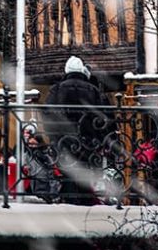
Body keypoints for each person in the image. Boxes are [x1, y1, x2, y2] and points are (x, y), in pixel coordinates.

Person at [44, 56, 109, 203]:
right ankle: (84, 201)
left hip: (63, 141)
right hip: (88, 140)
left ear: (67, 70)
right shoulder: (94, 90)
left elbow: (47, 115)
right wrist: (98, 137)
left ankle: (69, 201)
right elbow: (103, 117)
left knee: (67, 174)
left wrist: (53, 136)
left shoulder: (57, 89)